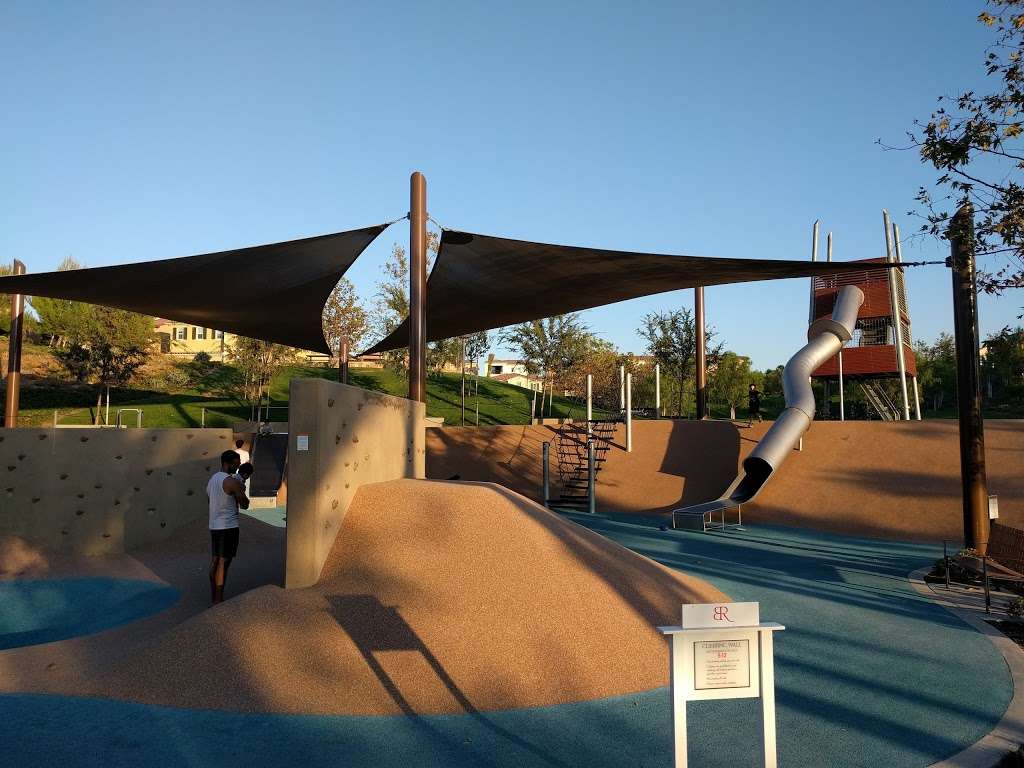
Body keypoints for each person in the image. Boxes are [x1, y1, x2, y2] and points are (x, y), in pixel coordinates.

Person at [206, 449, 249, 605]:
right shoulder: (231, 482)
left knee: (215, 560)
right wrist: (241, 492)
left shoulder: (212, 480)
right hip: (228, 526)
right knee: (224, 563)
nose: (236, 469)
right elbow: (245, 504)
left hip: (214, 526)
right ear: (227, 464)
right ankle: (218, 599)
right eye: (235, 465)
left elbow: (209, 501)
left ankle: (214, 596)